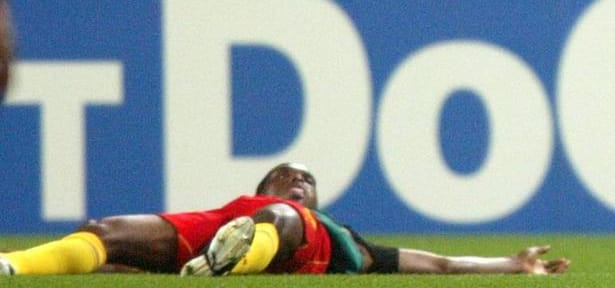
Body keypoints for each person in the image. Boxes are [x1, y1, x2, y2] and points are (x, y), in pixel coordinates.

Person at [0, 162, 567, 276]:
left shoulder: (340, 240)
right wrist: (112, 264)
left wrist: (508, 265)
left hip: (273, 239)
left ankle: (231, 262)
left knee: (281, 222)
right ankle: (12, 267)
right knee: (105, 234)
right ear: (258, 186)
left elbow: (440, 263)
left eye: (307, 182)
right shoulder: (230, 209)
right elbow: (120, 261)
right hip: (218, 229)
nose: (298, 183)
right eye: (285, 177)